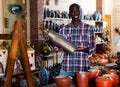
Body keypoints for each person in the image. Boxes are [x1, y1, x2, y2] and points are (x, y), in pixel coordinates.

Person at [58, 3, 96, 77]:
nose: (75, 13)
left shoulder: (88, 28)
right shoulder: (64, 29)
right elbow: (58, 46)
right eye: (72, 11)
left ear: (80, 12)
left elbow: (93, 48)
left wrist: (83, 49)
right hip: (67, 68)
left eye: (77, 11)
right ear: (69, 13)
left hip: (82, 68)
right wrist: (51, 40)